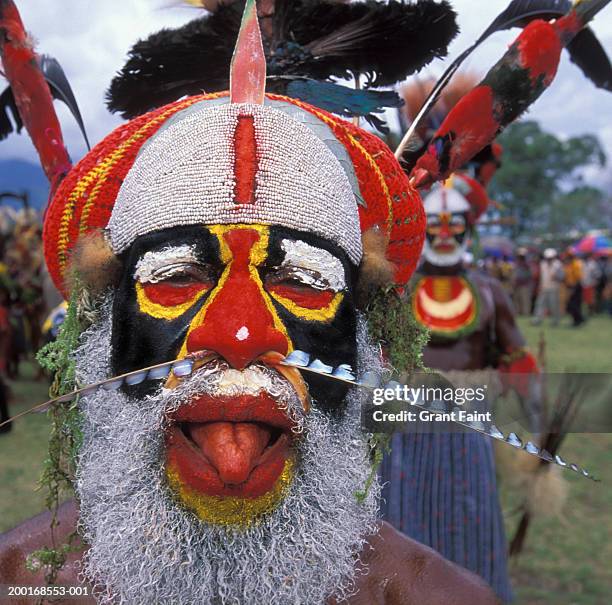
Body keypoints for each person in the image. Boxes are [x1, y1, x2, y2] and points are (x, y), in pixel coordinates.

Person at [532, 249, 563, 326]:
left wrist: (556, 276)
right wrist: (539, 286)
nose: (549, 259)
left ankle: (555, 321)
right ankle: (537, 319)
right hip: (544, 287)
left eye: (550, 258)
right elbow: (541, 276)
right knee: (540, 304)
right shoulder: (543, 264)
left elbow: (562, 276)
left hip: (554, 288)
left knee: (554, 305)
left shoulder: (558, 264)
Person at [565, 250, 584, 326]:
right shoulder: (570, 264)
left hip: (576, 286)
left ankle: (579, 319)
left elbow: (578, 277)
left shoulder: (576, 264)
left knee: (573, 304)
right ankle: (577, 320)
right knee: (572, 304)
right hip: (571, 286)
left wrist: (573, 288)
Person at [513, 249, 533, 315]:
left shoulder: (526, 265)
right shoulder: (517, 264)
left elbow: (529, 275)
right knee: (517, 300)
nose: (520, 258)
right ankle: (518, 312)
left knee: (525, 300)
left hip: (524, 285)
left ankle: (526, 313)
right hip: (517, 285)